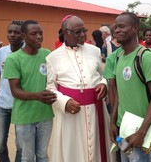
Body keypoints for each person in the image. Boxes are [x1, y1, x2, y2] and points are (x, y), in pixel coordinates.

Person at [46, 15, 115, 162]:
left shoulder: (95, 51)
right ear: (65, 32)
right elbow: (50, 88)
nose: (83, 35)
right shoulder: (52, 57)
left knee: (97, 149)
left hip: (96, 111)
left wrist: (103, 83)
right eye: (78, 32)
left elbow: (105, 75)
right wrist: (64, 102)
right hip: (70, 115)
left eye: (84, 30)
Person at [107, 12, 151, 162]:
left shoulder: (145, 56)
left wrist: (142, 132)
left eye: (122, 26)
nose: (117, 30)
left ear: (135, 29)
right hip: (122, 130)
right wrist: (112, 122)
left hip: (140, 132)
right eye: (115, 27)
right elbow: (117, 93)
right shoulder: (118, 57)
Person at [2, 20, 57, 161]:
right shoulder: (13, 60)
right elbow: (15, 91)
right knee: (26, 157)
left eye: (41, 33)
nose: (39, 37)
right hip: (24, 117)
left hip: (45, 115)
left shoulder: (47, 54)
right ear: (24, 36)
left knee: (43, 155)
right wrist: (38, 96)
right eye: (34, 34)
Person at [0, 20, 24, 162]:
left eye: (17, 32)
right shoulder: (2, 51)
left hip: (20, 106)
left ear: (24, 35)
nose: (12, 35)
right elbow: (0, 76)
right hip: (1, 104)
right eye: (10, 32)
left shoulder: (28, 53)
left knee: (21, 145)